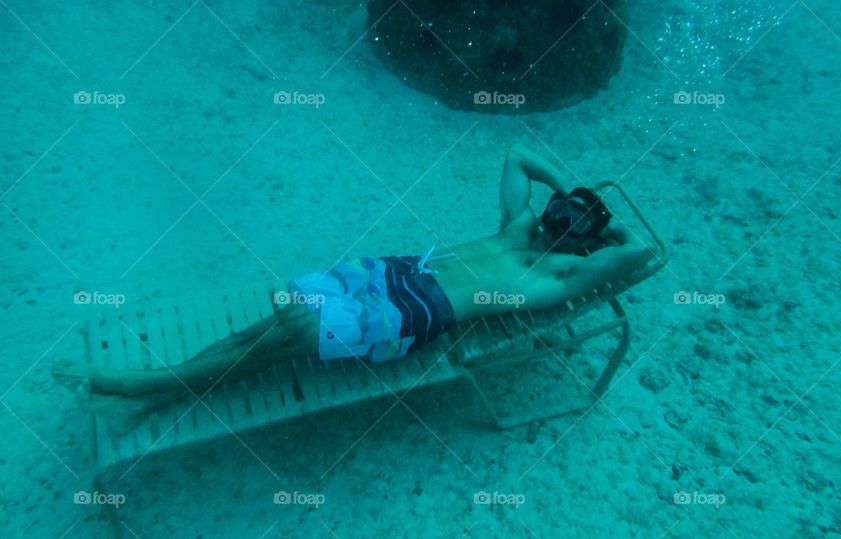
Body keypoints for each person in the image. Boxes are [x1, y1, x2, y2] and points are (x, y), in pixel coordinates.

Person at [53, 143, 655, 433]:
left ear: (583, 246)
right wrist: (571, 189)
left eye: (574, 224)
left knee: (283, 337)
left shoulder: (557, 274)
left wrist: (602, 231)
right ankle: (162, 389)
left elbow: (638, 253)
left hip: (418, 314)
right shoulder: (519, 224)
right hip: (394, 273)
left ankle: (141, 385)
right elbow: (518, 154)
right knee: (270, 325)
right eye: (563, 209)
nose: (561, 220)